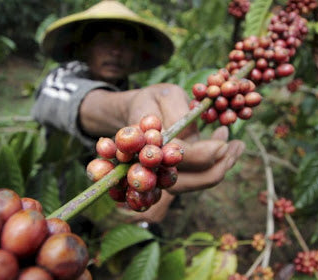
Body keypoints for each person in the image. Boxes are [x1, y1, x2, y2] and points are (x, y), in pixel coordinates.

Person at [32, 0, 245, 223]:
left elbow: (161, 163)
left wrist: (163, 191)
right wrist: (130, 105)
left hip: (121, 206)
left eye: (126, 42)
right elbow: (78, 103)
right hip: (65, 196)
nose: (116, 50)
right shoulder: (61, 79)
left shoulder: (133, 88)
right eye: (105, 39)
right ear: (84, 47)